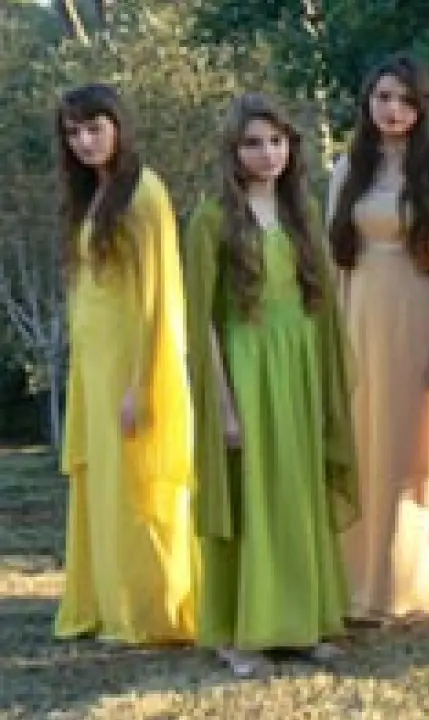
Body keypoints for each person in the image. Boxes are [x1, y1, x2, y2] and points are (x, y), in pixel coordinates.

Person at [185, 93, 357, 676]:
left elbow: (321, 305)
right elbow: (202, 321)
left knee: (296, 493)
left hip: (299, 367)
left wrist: (327, 384)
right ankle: (240, 633)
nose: (267, 154)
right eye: (253, 144)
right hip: (246, 369)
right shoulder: (210, 219)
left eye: (276, 142)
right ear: (233, 151)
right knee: (251, 496)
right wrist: (224, 406)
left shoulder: (302, 210)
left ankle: (300, 622)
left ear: (291, 146)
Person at [328, 53, 429, 622]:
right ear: (367, 103)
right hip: (361, 321)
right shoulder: (347, 170)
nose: (393, 110)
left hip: (421, 317)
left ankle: (416, 579)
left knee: (417, 443)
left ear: (422, 108)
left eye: (404, 100)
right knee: (365, 438)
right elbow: (335, 260)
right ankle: (360, 577)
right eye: (383, 98)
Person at [54, 83, 197, 644]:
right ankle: (108, 602)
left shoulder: (144, 193)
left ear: (118, 127)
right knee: (104, 481)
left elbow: (161, 297)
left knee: (139, 483)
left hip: (132, 362)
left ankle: (151, 610)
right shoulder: (93, 194)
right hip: (94, 361)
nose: (84, 142)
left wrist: (144, 382)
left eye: (95, 128)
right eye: (74, 132)